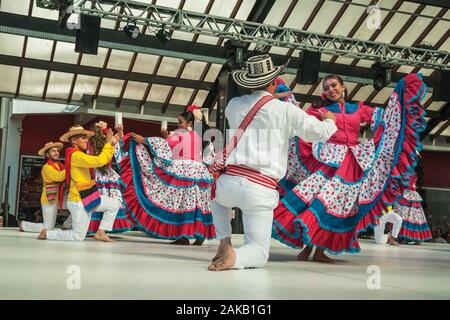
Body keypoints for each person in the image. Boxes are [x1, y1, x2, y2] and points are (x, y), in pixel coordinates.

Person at [272, 72, 428, 262]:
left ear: (343, 87)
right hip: (329, 162)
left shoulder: (357, 108)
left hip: (353, 164)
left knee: (334, 207)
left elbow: (385, 118)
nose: (331, 90)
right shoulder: (320, 110)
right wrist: (288, 100)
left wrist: (400, 97)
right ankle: (309, 248)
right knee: (319, 202)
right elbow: (301, 120)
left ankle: (317, 251)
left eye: (334, 85)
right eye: (327, 87)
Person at [208, 54, 337, 271]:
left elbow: (257, 108)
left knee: (216, 199)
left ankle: (224, 241)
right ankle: (235, 257)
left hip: (227, 183)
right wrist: (330, 122)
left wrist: (270, 96)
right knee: (259, 251)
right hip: (259, 187)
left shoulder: (234, 105)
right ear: (274, 81)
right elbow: (319, 133)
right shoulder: (286, 110)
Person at [116, 106, 216, 246]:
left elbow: (166, 144)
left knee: (182, 202)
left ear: (189, 123)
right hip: (199, 172)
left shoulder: (178, 133)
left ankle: (184, 236)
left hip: (183, 170)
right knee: (198, 202)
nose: (178, 125)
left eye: (180, 122)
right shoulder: (202, 136)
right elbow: (209, 158)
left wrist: (143, 140)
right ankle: (200, 235)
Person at [38, 125, 120, 242]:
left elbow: (103, 160)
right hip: (79, 200)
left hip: (88, 196)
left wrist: (111, 144)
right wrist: (108, 143)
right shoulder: (76, 155)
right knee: (77, 237)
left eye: (86, 138)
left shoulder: (79, 154)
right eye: (83, 137)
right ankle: (48, 233)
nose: (87, 140)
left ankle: (101, 232)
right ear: (74, 140)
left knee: (114, 204)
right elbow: (99, 161)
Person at [20, 142, 66, 233]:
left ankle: (67, 226)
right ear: (47, 154)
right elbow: (59, 177)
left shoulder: (60, 166)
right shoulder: (47, 167)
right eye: (53, 151)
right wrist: (69, 168)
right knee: (48, 227)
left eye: (57, 151)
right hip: (49, 198)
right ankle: (24, 225)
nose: (56, 152)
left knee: (50, 227)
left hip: (56, 198)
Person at [394, 175, 432, 245]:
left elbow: (410, 184)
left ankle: (407, 238)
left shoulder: (411, 173)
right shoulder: (405, 172)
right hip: (405, 196)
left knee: (412, 217)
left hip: (408, 196)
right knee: (408, 217)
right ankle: (405, 238)